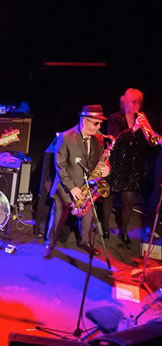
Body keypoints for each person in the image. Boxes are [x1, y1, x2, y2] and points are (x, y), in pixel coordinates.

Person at [44, 105, 110, 259]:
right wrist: (72, 187)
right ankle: (50, 244)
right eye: (96, 123)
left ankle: (85, 242)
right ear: (84, 121)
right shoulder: (65, 137)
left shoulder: (99, 139)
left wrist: (107, 169)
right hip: (65, 187)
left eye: (100, 124)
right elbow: (60, 166)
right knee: (58, 219)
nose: (99, 127)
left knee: (88, 218)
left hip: (87, 187)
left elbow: (101, 161)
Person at [102, 88, 160, 248]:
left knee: (128, 201)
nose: (136, 105)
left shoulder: (141, 119)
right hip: (116, 162)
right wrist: (134, 128)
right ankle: (105, 227)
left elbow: (151, 142)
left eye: (139, 102)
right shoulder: (115, 117)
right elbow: (115, 139)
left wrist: (148, 130)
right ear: (126, 101)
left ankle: (124, 231)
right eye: (134, 102)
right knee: (109, 196)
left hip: (133, 165)